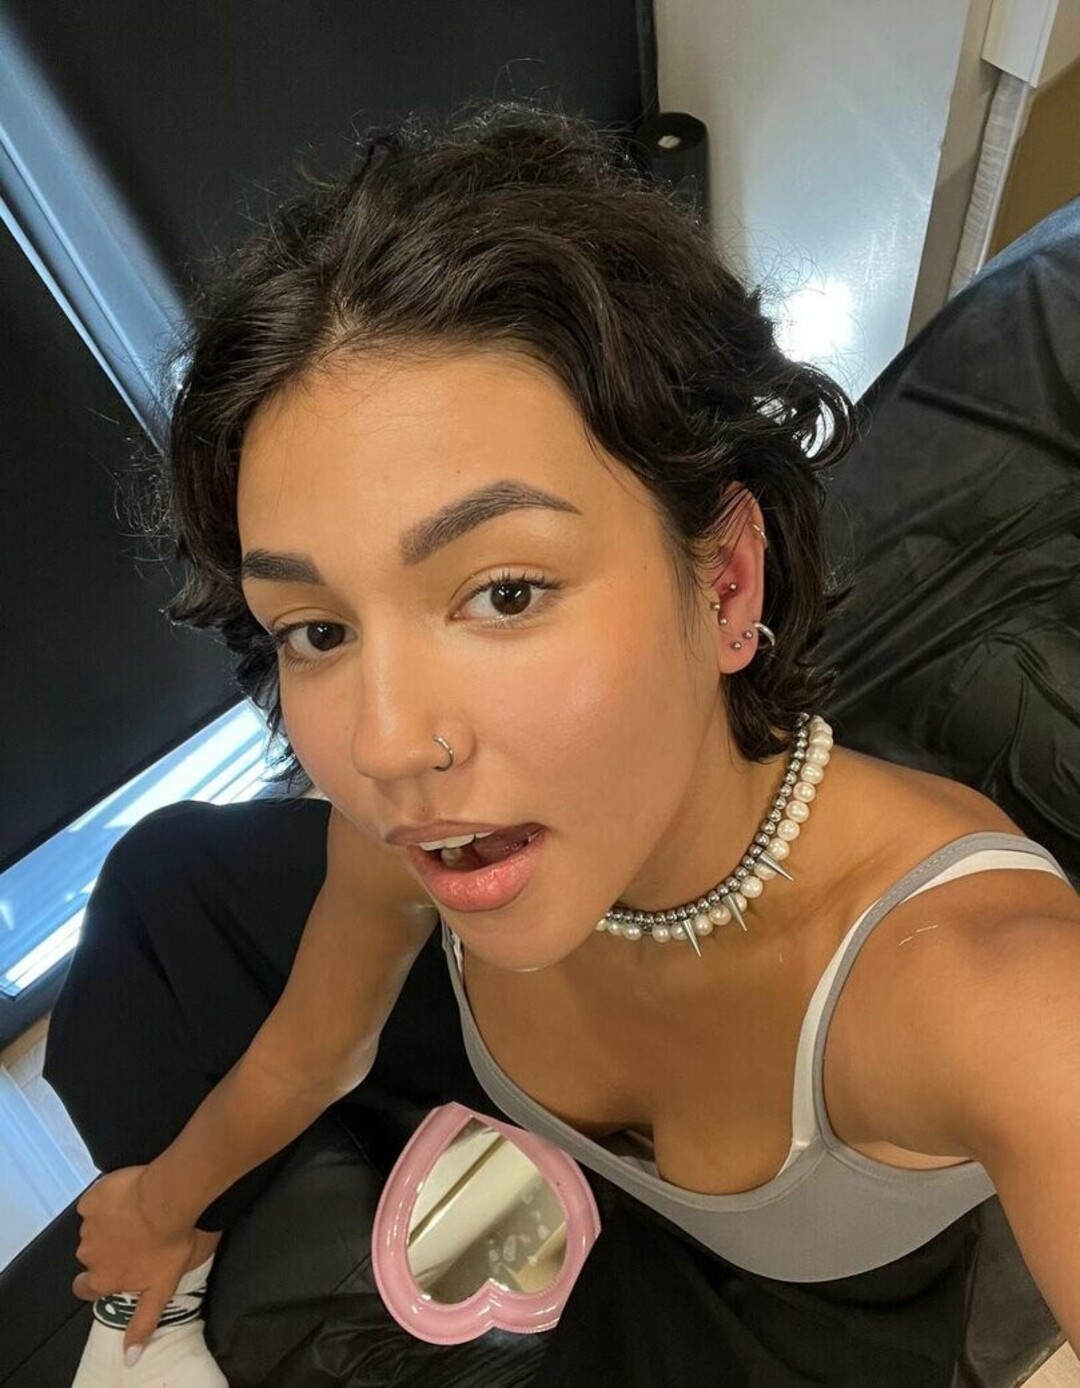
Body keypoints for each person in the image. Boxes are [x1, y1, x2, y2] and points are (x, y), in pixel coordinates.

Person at [44, 97, 1079, 1386]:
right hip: (505, 1144)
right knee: (165, 886)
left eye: (506, 592)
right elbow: (318, 1044)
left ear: (726, 582)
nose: (387, 748)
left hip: (792, 1323)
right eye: (317, 629)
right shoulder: (413, 826)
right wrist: (157, 1211)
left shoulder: (993, 995)